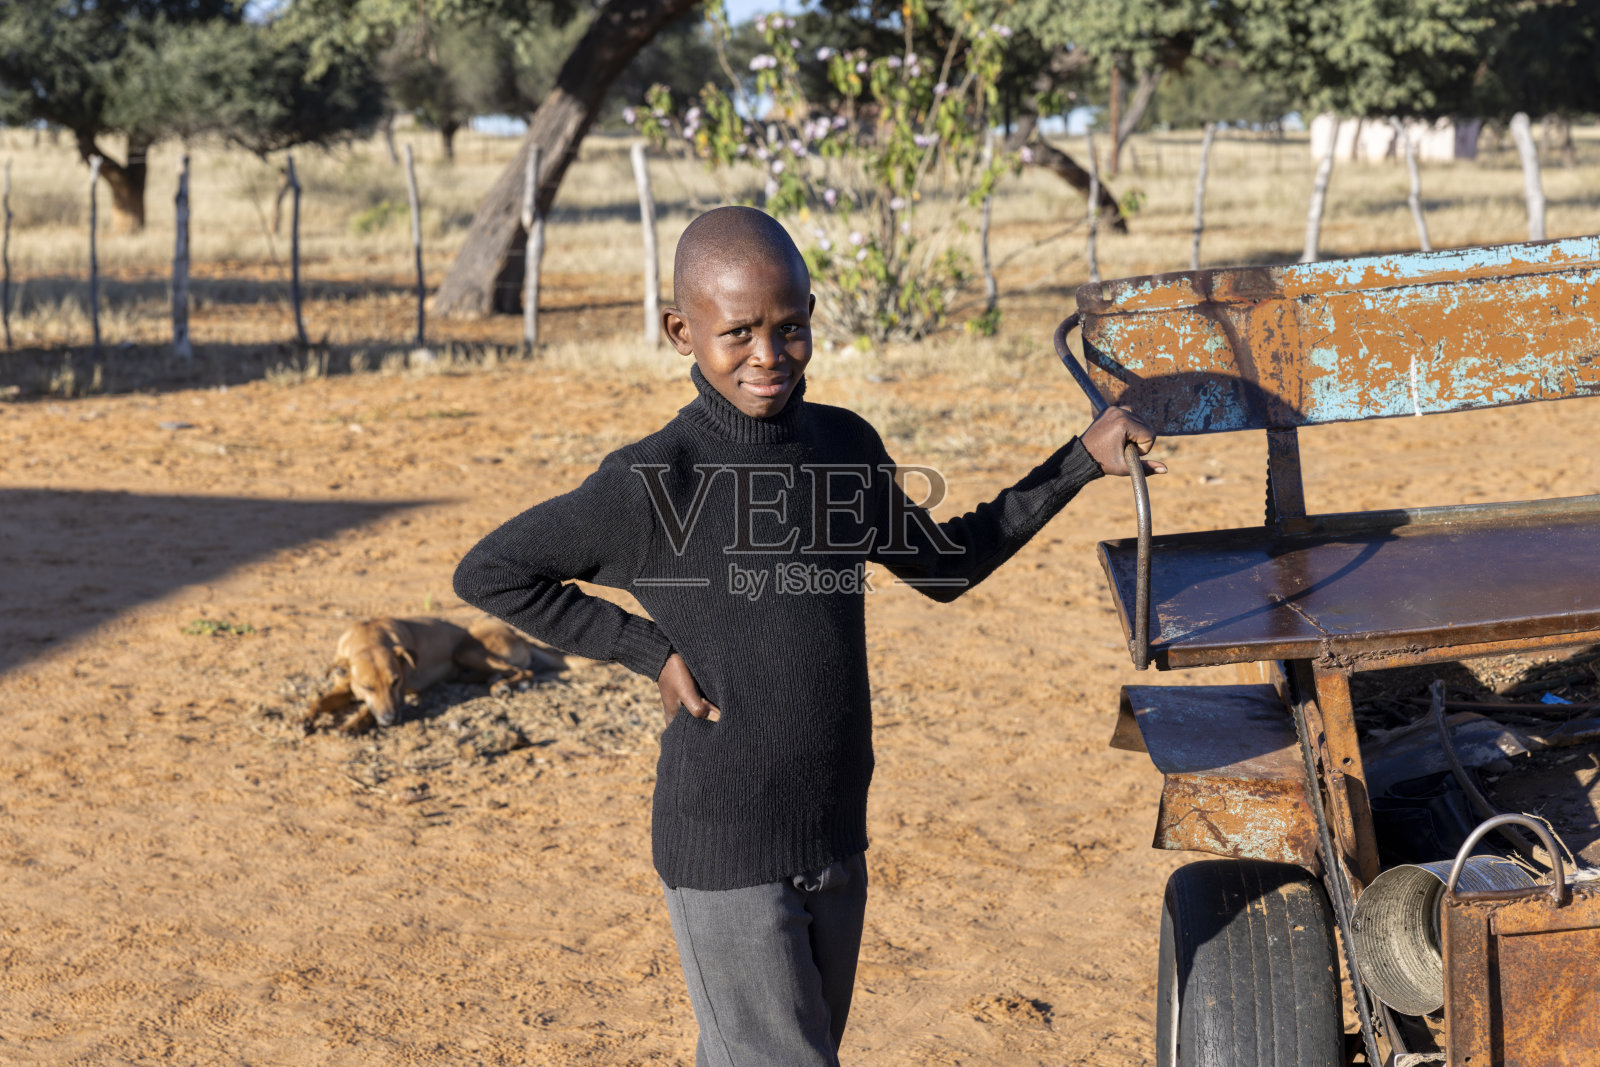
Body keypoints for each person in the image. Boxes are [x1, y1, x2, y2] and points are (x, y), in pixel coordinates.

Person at [453, 205, 1164, 1066]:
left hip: (832, 832)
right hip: (725, 843)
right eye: (740, 331)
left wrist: (1079, 459)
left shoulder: (843, 448)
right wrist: (649, 652)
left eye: (790, 328)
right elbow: (491, 570)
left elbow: (948, 565)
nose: (769, 355)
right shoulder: (651, 482)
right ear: (682, 331)